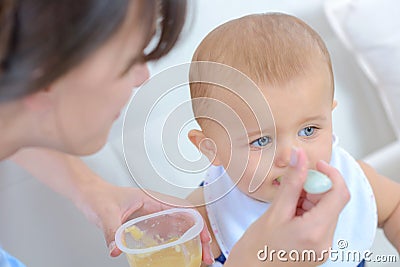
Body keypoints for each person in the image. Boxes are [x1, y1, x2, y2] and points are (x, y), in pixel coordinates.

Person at [0, 1, 350, 267]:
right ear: (42, 68)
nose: (143, 77)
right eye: (130, 57)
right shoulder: (210, 220)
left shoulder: (348, 180)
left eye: (308, 129)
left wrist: (93, 191)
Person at [187, 13, 400, 266]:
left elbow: (395, 207)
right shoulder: (202, 219)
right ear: (212, 149)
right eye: (262, 141)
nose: (292, 157)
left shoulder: (353, 180)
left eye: (308, 130)